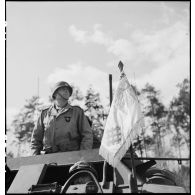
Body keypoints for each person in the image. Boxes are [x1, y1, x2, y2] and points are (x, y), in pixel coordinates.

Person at [31, 81, 93, 155]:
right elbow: (36, 139)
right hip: (47, 158)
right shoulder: (44, 114)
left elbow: (87, 135)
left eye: (68, 90)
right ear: (55, 93)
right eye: (63, 89)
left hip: (71, 158)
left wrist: (83, 156)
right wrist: (35, 159)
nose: (66, 91)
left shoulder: (77, 112)